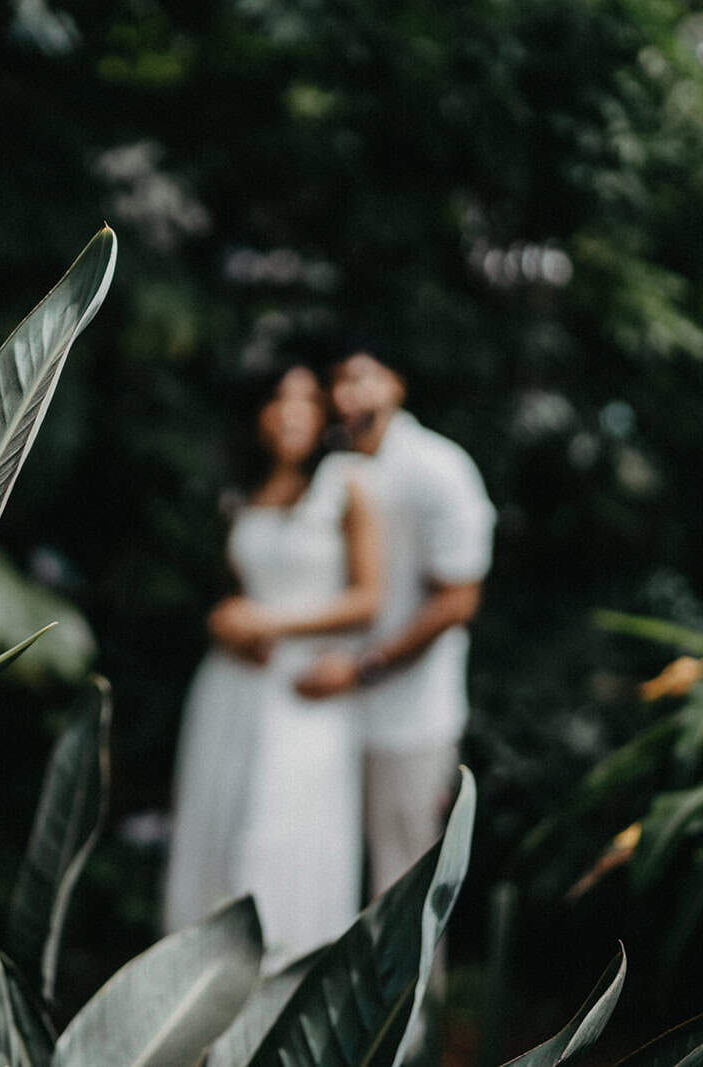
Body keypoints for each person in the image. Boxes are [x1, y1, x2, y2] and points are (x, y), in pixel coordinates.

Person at [162, 365, 381, 963]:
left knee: (281, 830)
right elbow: (228, 595)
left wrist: (269, 622)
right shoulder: (242, 489)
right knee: (218, 823)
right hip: (231, 687)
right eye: (277, 399)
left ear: (324, 414)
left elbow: (368, 598)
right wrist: (227, 624)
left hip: (305, 691)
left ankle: (282, 974)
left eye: (305, 400)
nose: (290, 413)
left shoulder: (347, 482)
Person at [297, 351, 496, 899]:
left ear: (396, 385)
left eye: (361, 378)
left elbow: (457, 601)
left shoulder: (439, 466)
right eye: (336, 380)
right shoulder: (331, 468)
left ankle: (416, 990)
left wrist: (363, 668)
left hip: (411, 720)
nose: (346, 395)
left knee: (403, 887)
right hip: (323, 712)